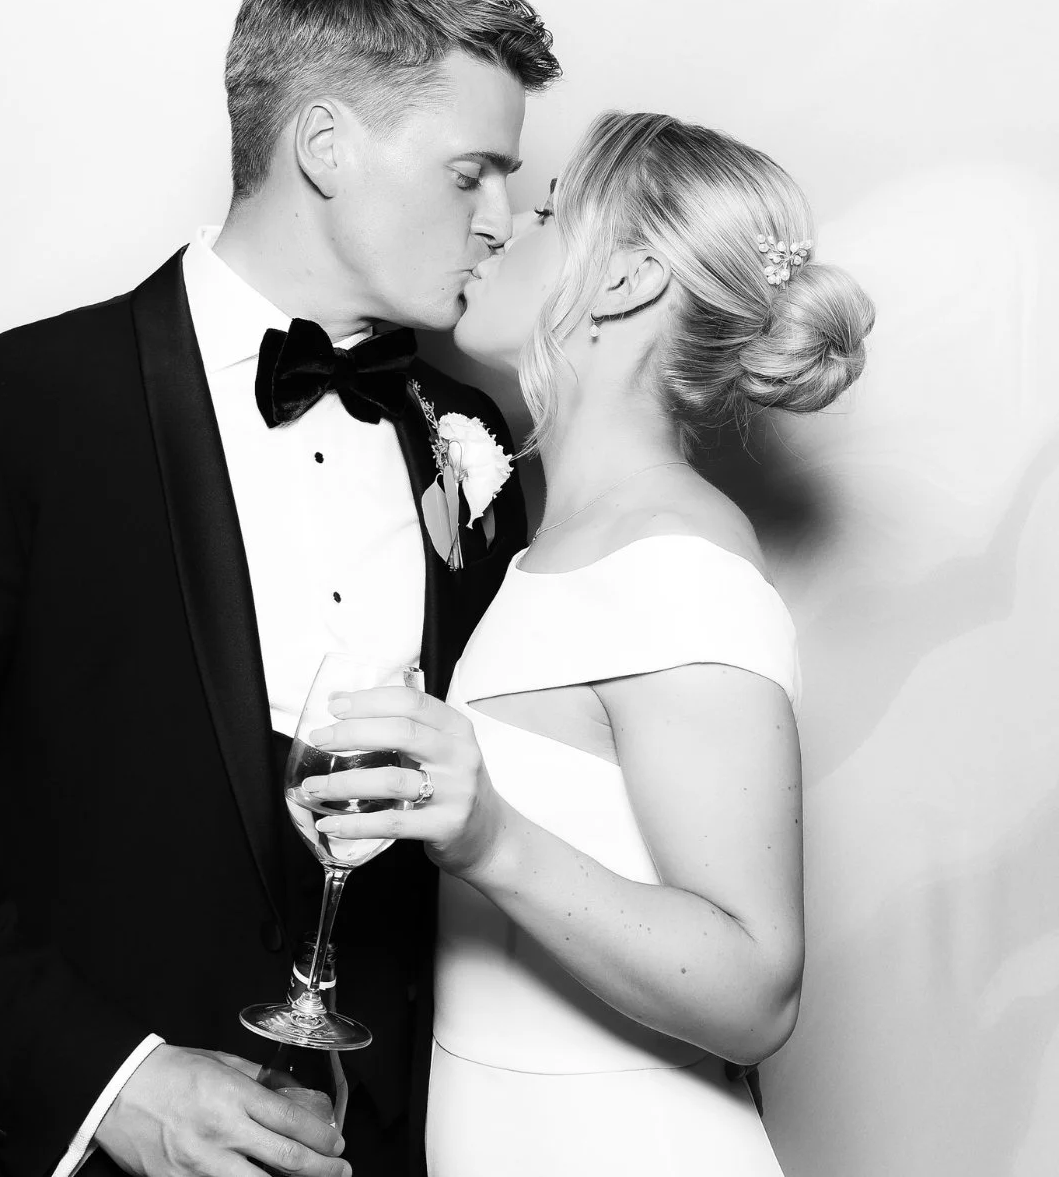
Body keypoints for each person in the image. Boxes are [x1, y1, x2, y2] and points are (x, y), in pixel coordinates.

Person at [0, 0, 559, 1177]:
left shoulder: (478, 438)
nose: (504, 222)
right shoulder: (17, 409)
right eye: (475, 174)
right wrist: (108, 1082)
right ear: (325, 146)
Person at [300, 110, 876, 1175]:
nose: (500, 225)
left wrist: (489, 841)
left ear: (624, 282)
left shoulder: (676, 564)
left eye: (552, 210)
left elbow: (757, 991)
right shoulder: (550, 546)